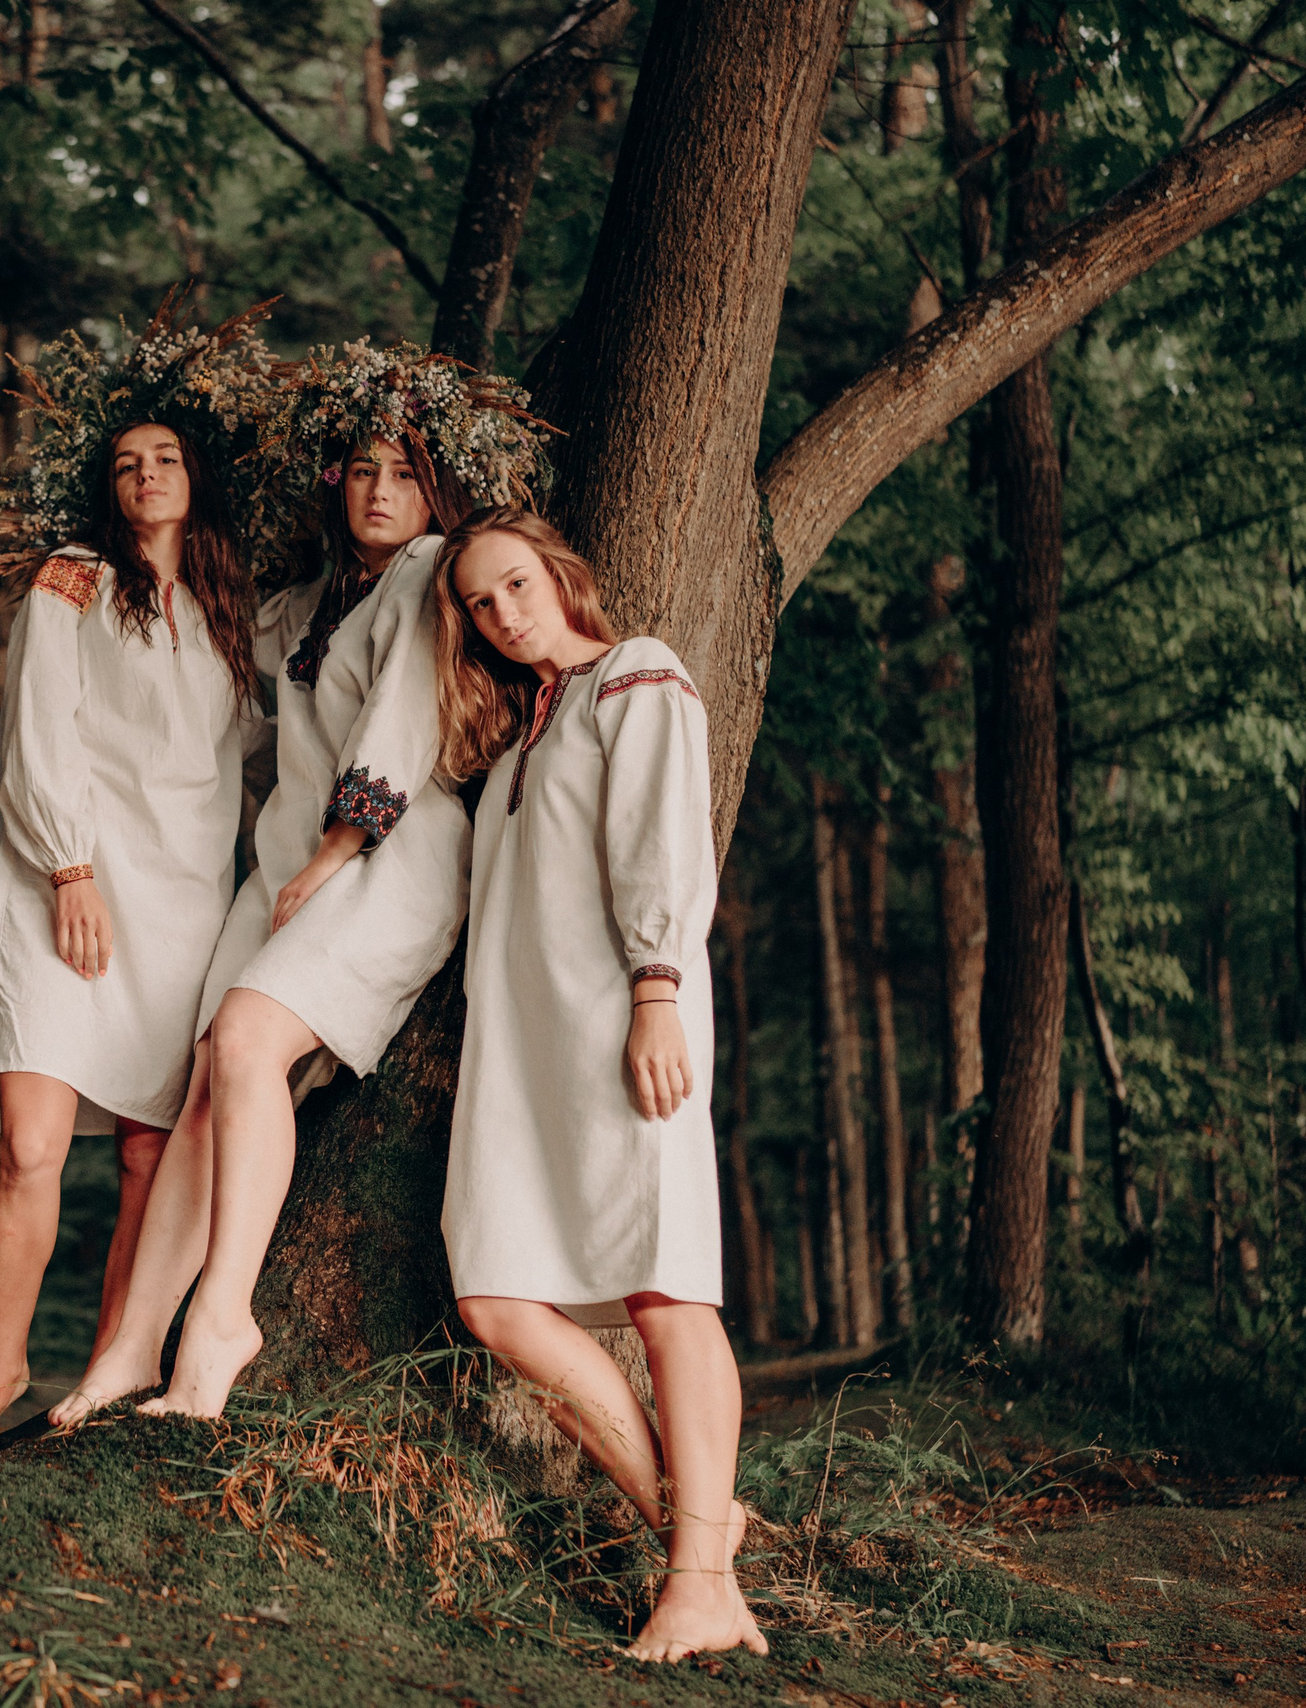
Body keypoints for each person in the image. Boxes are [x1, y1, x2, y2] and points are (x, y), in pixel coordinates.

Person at [49, 430, 473, 1425]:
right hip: (284, 861)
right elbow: (217, 708)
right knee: (209, 1078)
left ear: (435, 491)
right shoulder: (305, 600)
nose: (380, 489)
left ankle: (223, 1319)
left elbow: (405, 721)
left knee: (244, 1044)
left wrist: (333, 853)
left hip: (385, 854)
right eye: (361, 468)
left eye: (406, 472)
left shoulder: (428, 573)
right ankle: (127, 1345)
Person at [431, 506, 765, 1663]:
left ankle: (699, 1581)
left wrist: (659, 988)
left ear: (557, 573)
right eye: (478, 601)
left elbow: (665, 841)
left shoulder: (636, 673)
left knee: (663, 1288)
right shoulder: (518, 732)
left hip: (631, 1017)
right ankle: (695, 1526)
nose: (502, 612)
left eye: (515, 583)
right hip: (520, 1052)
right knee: (494, 1297)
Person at [0, 419, 262, 1463]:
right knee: (29, 1144)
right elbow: (38, 723)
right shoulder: (70, 577)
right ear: (105, 489)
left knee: (147, 1151)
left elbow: (255, 747)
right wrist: (70, 867)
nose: (145, 474)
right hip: (56, 877)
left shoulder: (232, 606)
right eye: (125, 464)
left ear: (195, 475)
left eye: (163, 457)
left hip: (180, 895)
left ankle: (112, 1365)